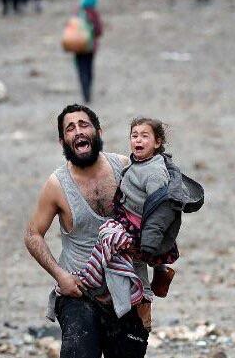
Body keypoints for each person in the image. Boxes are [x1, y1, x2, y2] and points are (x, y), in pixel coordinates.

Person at [24, 104, 154, 358]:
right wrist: (61, 277)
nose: (78, 132)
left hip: (127, 295)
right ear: (63, 140)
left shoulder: (126, 169)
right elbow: (33, 235)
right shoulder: (56, 185)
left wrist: (158, 273)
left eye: (84, 125)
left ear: (98, 131)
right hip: (80, 293)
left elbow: (164, 208)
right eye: (70, 128)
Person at [77, 118, 184, 312]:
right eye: (134, 136)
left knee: (111, 241)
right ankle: (156, 275)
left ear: (157, 142)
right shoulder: (138, 163)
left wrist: (148, 243)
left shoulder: (154, 173)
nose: (138, 140)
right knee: (123, 253)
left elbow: (161, 210)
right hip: (129, 218)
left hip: (141, 229)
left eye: (145, 136)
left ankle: (136, 301)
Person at [72, 0, 103, 104]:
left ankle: (84, 94)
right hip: (89, 47)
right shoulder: (93, 13)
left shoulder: (77, 12)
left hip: (77, 46)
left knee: (81, 70)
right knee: (89, 69)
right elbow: (99, 31)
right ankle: (88, 93)